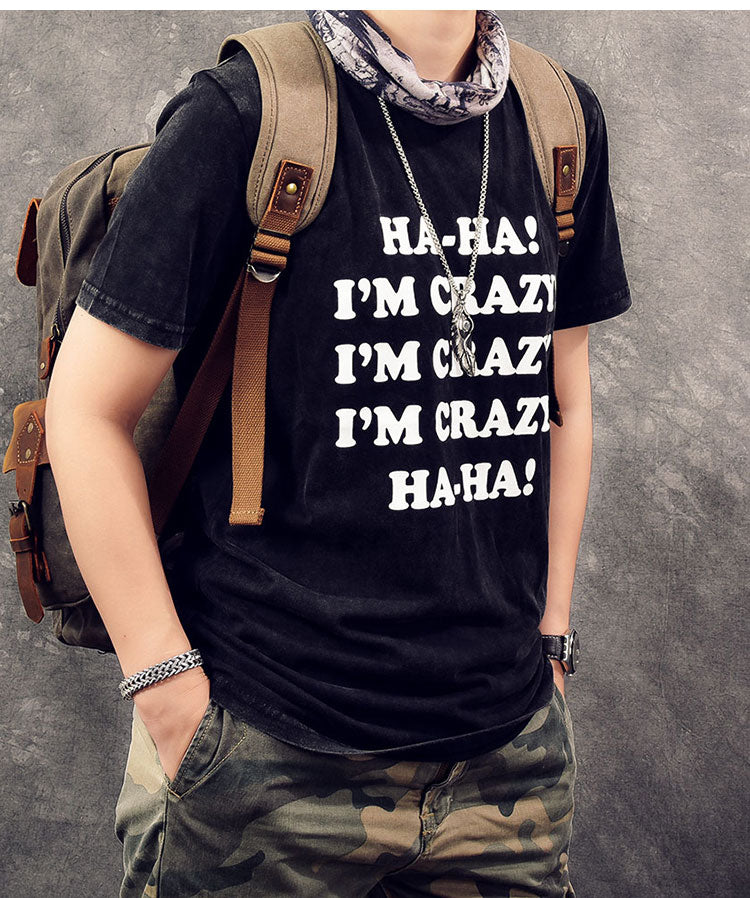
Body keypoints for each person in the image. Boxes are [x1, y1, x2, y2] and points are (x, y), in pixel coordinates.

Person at [44, 9, 631, 897]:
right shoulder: (246, 114)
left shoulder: (561, 122)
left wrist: (553, 631)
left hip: (508, 761)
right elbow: (85, 410)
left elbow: (565, 399)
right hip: (267, 748)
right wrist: (167, 690)